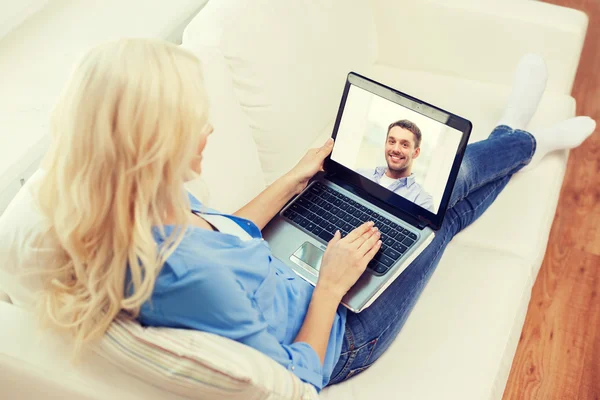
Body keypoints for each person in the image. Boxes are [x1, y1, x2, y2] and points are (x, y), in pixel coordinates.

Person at [33, 39, 596, 392]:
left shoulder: (135, 208)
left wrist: (292, 180)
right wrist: (331, 284)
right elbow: (293, 377)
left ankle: (516, 137)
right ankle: (525, 138)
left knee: (429, 198)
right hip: (340, 332)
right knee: (435, 218)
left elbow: (223, 238)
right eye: (193, 121)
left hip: (296, 275)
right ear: (152, 143)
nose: (208, 129)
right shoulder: (186, 278)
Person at [358, 119, 435, 212]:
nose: (396, 149)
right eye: (392, 142)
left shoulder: (422, 201)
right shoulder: (360, 175)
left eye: (404, 145)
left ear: (416, 152)